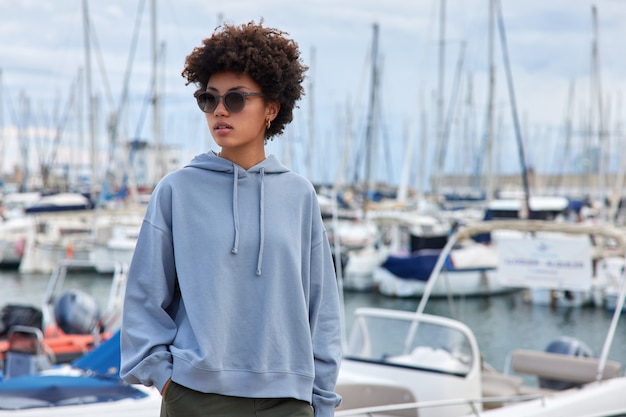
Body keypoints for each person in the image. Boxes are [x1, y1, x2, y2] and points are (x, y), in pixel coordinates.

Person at [119, 21, 343, 417]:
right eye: (210, 99)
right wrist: (166, 380)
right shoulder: (176, 191)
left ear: (271, 108)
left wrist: (321, 399)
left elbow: (321, 309)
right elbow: (143, 296)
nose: (220, 110)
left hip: (288, 401)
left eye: (236, 99)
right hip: (196, 397)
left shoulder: (299, 195)